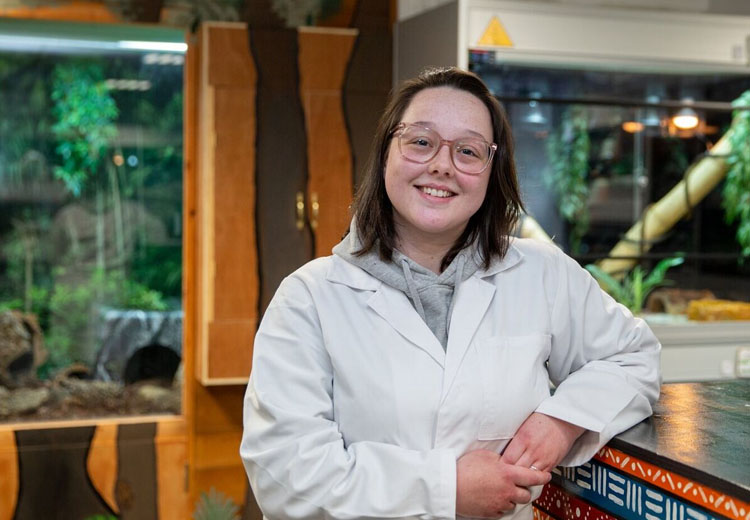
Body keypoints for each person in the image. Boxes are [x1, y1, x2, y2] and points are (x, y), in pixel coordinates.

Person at [240, 67, 660, 520]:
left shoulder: (541, 273)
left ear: (490, 171)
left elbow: (633, 357)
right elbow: (284, 475)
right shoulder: (308, 298)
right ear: (386, 154)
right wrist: (444, 489)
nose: (442, 164)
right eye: (421, 141)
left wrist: (562, 422)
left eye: (468, 150)